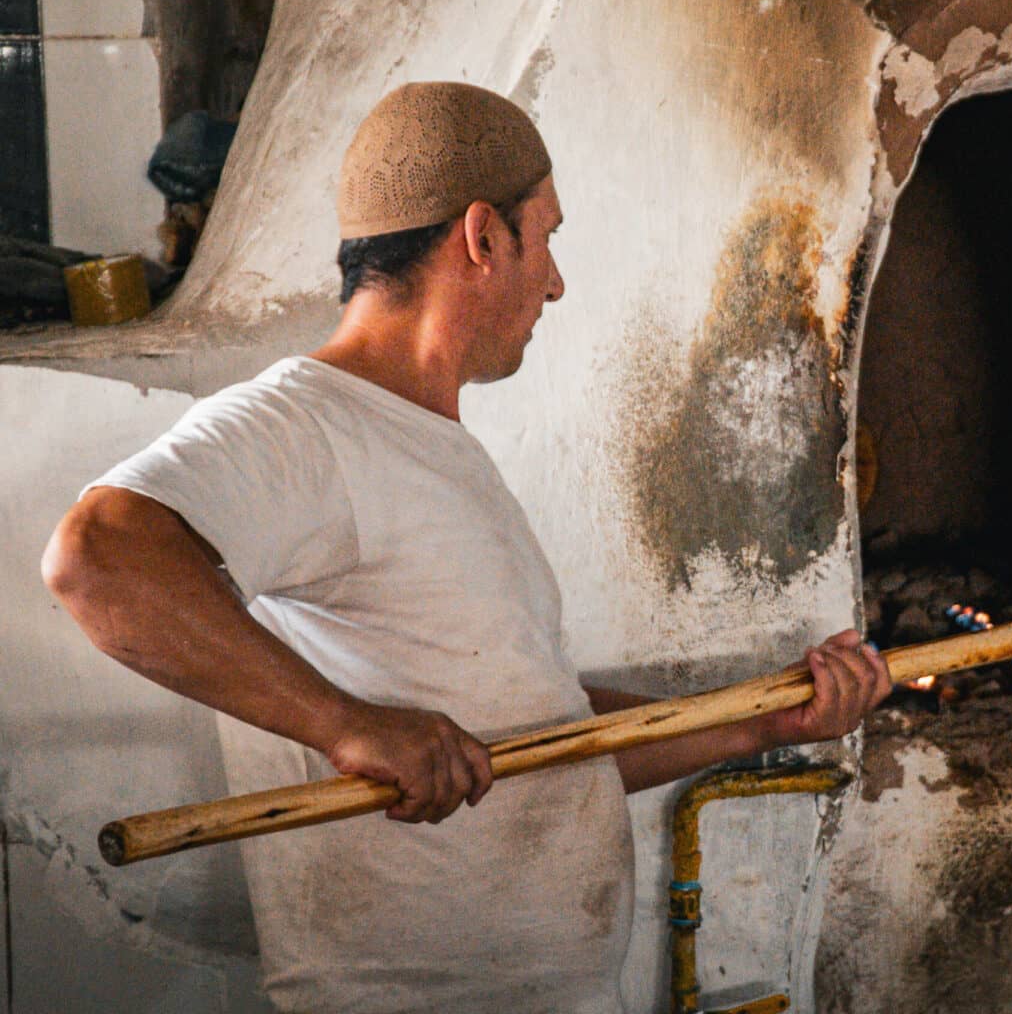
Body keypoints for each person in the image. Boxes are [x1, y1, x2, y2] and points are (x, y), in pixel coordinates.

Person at [41, 82, 891, 1014]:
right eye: (548, 236)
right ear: (483, 237)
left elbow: (541, 739)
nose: (557, 280)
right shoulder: (308, 423)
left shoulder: (427, 447)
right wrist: (344, 724)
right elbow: (98, 556)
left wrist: (763, 722)